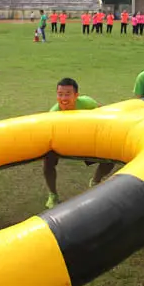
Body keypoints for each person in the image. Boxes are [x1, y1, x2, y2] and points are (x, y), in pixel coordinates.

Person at [44, 78, 116, 208]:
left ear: (76, 95)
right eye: (60, 94)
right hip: (64, 143)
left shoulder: (86, 103)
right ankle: (53, 194)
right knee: (48, 160)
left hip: (86, 140)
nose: (63, 98)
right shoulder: (54, 114)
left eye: (67, 94)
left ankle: (95, 182)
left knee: (111, 158)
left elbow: (104, 112)